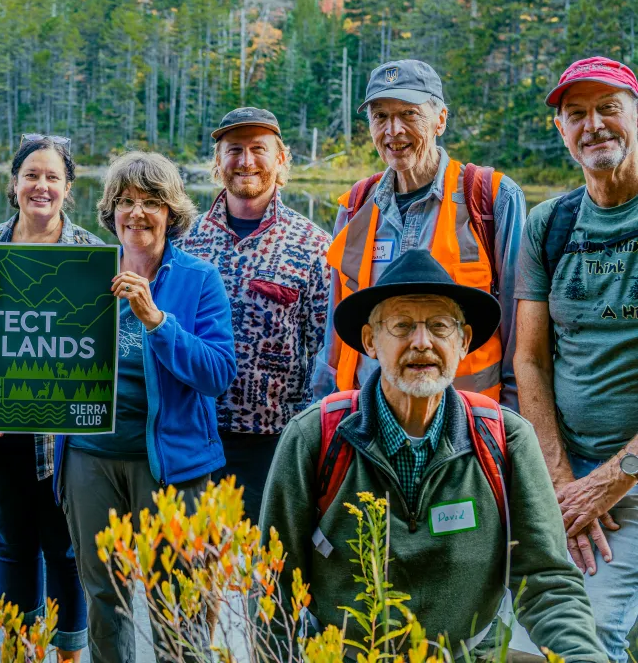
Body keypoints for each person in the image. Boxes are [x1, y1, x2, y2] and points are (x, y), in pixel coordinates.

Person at [261, 249, 607, 659]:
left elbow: (547, 580)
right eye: (402, 325)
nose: (421, 343)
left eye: (439, 327)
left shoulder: (505, 438)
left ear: (462, 342)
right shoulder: (315, 437)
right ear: (371, 341)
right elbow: (273, 587)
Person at [55, 151, 237, 663]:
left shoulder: (199, 279)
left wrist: (157, 321)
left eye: (151, 202)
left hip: (174, 466)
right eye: (126, 202)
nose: (137, 213)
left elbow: (218, 373)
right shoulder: (83, 273)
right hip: (90, 457)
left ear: (171, 213)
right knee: (103, 597)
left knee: (176, 601)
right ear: (110, 210)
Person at [512, 56, 638, 661]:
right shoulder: (551, 223)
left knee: (591, 640)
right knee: (530, 637)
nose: (594, 126)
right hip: (565, 473)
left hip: (631, 479)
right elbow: (530, 360)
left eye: (608, 108)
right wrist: (562, 483)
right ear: (561, 128)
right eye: (576, 113)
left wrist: (614, 480)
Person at [312, 60, 525, 410]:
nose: (393, 130)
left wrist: (510, 425)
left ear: (440, 119)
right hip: (367, 418)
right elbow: (335, 329)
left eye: (409, 114)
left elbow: (520, 331)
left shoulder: (491, 197)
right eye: (380, 117)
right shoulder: (354, 205)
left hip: (465, 422)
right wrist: (325, 410)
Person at [0, 134, 102, 662]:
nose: (40, 186)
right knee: (11, 547)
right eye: (31, 175)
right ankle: (16, 651)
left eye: (52, 177)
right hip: (2, 436)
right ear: (13, 184)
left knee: (66, 551)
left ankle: (68, 653)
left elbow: (104, 354)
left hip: (67, 438)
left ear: (68, 188)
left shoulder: (92, 256)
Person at [176, 108, 330, 518]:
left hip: (274, 441)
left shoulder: (314, 246)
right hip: (191, 435)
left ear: (281, 159)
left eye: (258, 149)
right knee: (191, 569)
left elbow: (325, 353)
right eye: (234, 150)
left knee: (264, 570)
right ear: (218, 161)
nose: (246, 161)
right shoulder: (183, 241)